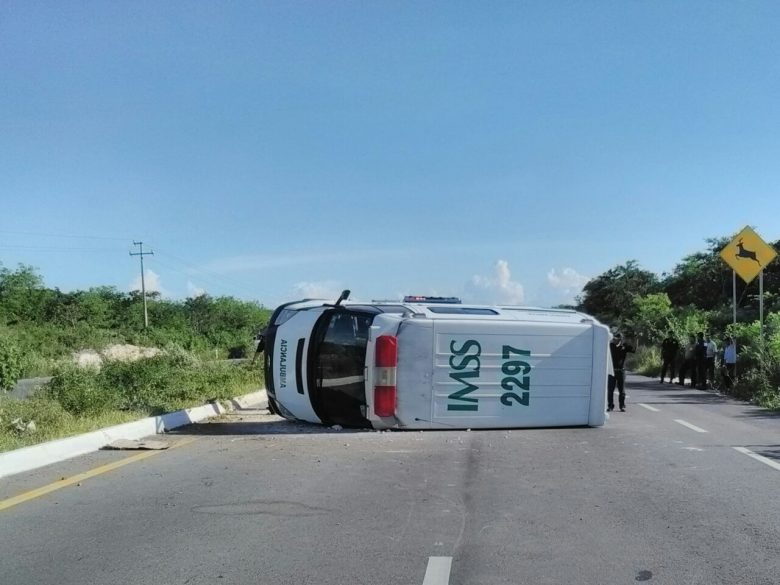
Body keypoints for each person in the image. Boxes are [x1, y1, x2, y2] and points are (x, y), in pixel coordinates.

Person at [608, 332, 635, 412]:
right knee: (610, 390)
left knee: (622, 390)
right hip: (612, 371)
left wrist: (636, 340)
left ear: (621, 339)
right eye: (614, 338)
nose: (615, 340)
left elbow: (634, 350)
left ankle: (622, 406)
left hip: (621, 371)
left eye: (617, 339)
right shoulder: (611, 346)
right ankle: (610, 406)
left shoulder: (624, 346)